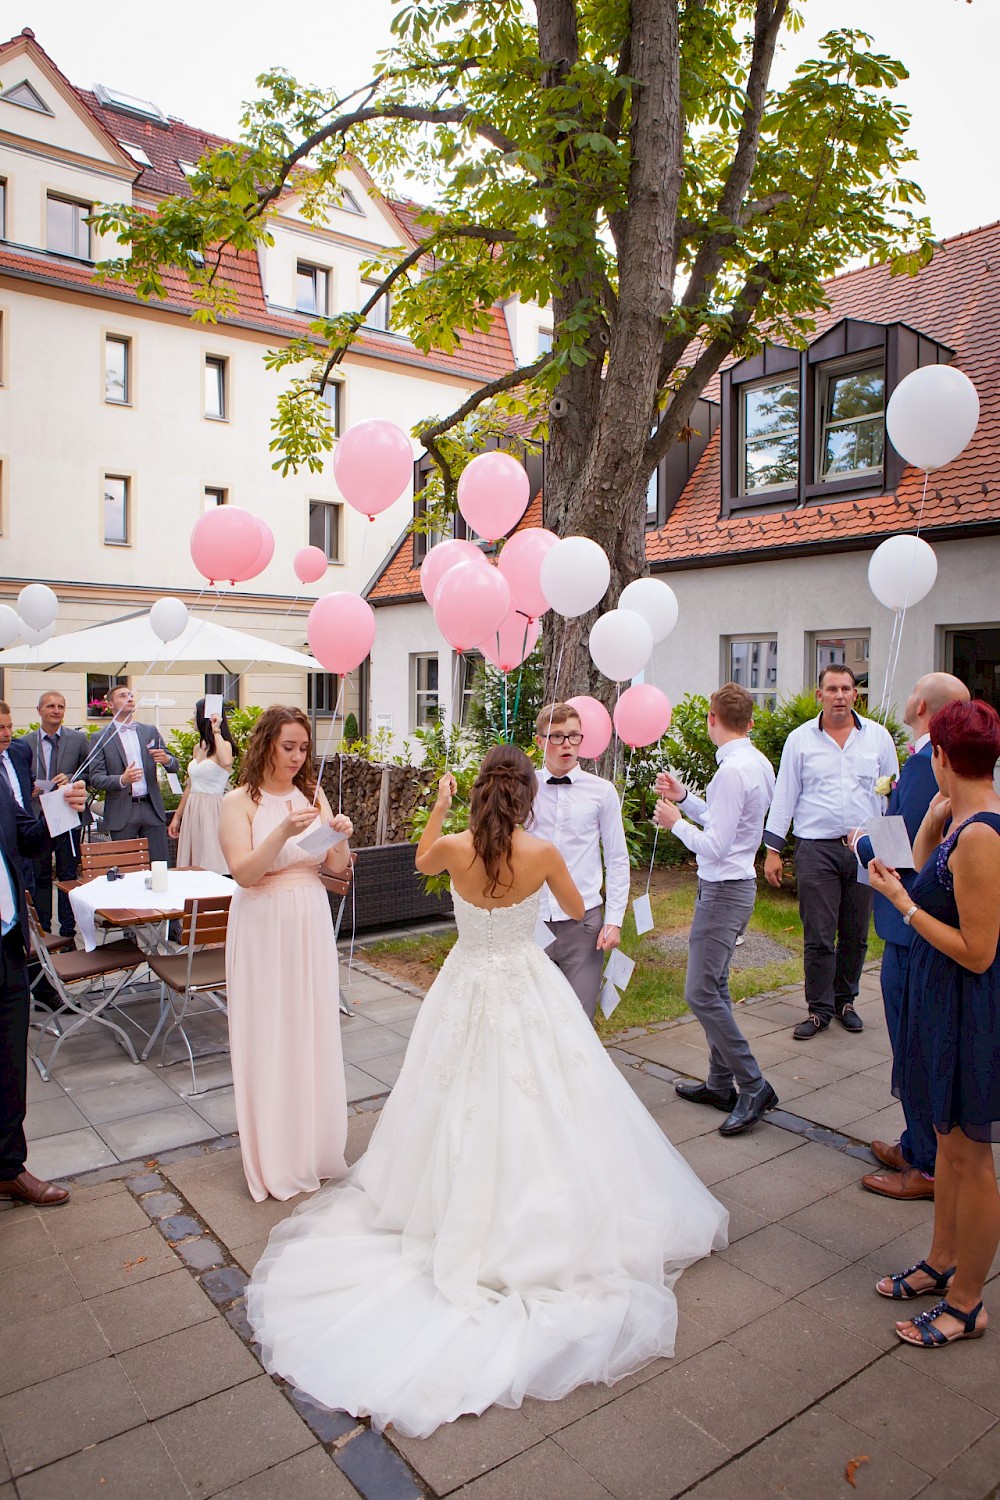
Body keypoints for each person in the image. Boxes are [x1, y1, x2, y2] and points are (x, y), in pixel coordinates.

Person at [245, 745, 727, 1439]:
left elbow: (418, 861)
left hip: (465, 983)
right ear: (528, 796)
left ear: (477, 795)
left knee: (449, 1099)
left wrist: (440, 806)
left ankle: (438, 1212)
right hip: (525, 983)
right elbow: (572, 910)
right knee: (547, 1103)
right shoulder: (542, 852)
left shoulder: (452, 847)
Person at [869, 700, 1000, 1349]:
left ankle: (969, 1301)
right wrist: (927, 825)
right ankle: (941, 1259)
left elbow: (978, 949)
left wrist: (900, 905)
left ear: (944, 757)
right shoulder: (962, 820)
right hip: (942, 997)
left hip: (968, 1006)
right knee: (947, 1142)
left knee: (972, 1158)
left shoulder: (983, 836)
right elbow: (925, 885)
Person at [219, 705, 353, 1202]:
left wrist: (337, 833)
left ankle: (311, 1149)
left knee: (310, 1028)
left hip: (310, 920)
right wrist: (282, 832)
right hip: (263, 924)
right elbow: (246, 873)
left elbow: (336, 868)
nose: (297, 757)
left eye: (303, 748)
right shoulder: (238, 803)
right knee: (270, 1032)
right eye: (288, 746)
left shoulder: (310, 794)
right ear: (266, 745)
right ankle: (275, 1155)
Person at [855, 672, 970, 1202]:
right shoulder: (932, 759)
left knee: (913, 1046)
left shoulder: (928, 765)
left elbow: (910, 853)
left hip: (911, 931)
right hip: (914, 926)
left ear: (921, 704)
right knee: (911, 1044)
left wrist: (860, 842)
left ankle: (925, 1163)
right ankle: (915, 1141)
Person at [653, 683, 778, 1135]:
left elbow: (717, 843)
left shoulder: (732, 771)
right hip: (735, 885)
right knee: (716, 985)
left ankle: (752, 1083)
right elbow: (730, 821)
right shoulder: (757, 762)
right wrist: (686, 799)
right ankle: (720, 1083)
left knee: (700, 992)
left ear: (711, 719)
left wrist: (675, 823)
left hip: (725, 888)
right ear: (749, 721)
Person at [763, 666, 898, 1039]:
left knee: (855, 933)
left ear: (856, 695)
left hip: (863, 851)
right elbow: (785, 795)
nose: (839, 695)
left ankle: (846, 1001)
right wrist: (773, 850)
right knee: (819, 935)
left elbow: (891, 797)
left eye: (846, 689)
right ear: (819, 694)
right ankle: (819, 1009)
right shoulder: (800, 740)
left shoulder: (878, 739)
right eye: (831, 689)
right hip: (815, 849)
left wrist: (889, 849)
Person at [1, 773, 89, 1207]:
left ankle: (8, 1169)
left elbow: (29, 838)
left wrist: (63, 808)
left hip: (8, 945)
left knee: (10, 1065)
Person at [528, 701, 630, 1020]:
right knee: (534, 1018)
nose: (567, 745)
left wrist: (613, 920)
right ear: (540, 741)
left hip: (584, 924)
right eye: (557, 736)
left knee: (579, 1021)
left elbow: (616, 858)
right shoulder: (524, 787)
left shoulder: (602, 792)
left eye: (574, 736)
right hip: (532, 920)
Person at [20, 691, 92, 938]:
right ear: (39, 710)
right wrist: (27, 786)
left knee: (68, 875)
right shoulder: (24, 743)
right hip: (37, 818)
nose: (56, 710)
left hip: (67, 816)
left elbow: (91, 775)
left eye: (60, 706)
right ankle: (44, 931)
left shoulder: (78, 740)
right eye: (50, 706)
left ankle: (68, 932)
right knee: (40, 875)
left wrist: (72, 779)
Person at [88, 685, 178, 863]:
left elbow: (174, 765)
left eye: (131, 695)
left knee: (161, 864)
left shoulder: (149, 731)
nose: (129, 698)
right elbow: (96, 778)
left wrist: (167, 760)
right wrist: (122, 780)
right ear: (110, 705)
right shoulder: (100, 737)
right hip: (121, 809)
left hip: (151, 807)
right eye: (123, 696)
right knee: (126, 866)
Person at [168, 699, 234, 874]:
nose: (192, 718)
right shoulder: (198, 747)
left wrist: (216, 730)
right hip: (193, 807)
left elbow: (227, 761)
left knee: (212, 857)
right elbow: (191, 785)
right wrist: (177, 816)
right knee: (194, 858)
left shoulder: (224, 745)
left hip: (212, 808)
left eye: (194, 714)